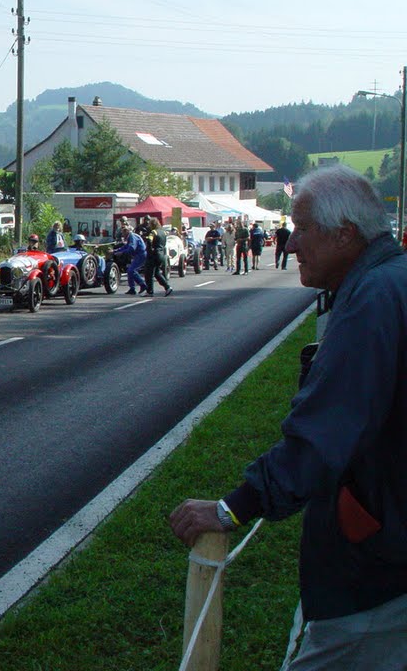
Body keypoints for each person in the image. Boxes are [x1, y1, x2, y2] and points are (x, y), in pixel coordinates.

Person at [169, 164, 407, 670]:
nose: (291, 244)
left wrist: (234, 507)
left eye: (302, 229)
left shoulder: (374, 301)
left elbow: (324, 435)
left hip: (374, 573)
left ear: (345, 235)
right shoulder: (389, 281)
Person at [113, 223, 148, 295]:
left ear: (128, 231)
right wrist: (115, 251)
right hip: (138, 255)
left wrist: (121, 253)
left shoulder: (132, 236)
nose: (123, 233)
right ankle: (133, 287)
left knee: (131, 270)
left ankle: (142, 284)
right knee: (131, 270)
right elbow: (126, 247)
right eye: (122, 231)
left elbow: (131, 248)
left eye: (124, 231)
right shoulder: (130, 237)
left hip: (141, 254)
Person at [144, 219, 173, 297]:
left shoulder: (153, 232)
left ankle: (150, 291)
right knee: (156, 273)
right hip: (161, 254)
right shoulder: (163, 232)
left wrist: (149, 249)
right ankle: (167, 287)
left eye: (150, 224)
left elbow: (149, 240)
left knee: (148, 273)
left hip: (154, 254)